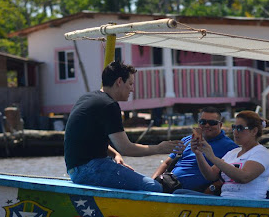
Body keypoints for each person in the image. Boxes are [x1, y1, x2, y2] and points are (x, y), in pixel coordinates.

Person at [64, 60, 184, 192]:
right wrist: (159, 148)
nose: (132, 89)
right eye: (130, 84)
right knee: (153, 187)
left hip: (76, 169)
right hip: (88, 170)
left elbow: (90, 139)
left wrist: (115, 154)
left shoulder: (89, 98)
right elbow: (126, 148)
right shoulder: (109, 105)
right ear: (119, 81)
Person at [151, 107, 238, 191]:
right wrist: (153, 182)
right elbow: (166, 163)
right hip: (169, 183)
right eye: (203, 122)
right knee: (142, 183)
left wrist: (212, 188)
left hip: (195, 191)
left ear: (220, 125)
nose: (207, 125)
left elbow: (232, 176)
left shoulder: (230, 147)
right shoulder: (187, 140)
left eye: (212, 123)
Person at [192, 110, 269, 199]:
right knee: (181, 192)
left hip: (249, 204)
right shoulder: (233, 153)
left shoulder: (261, 153)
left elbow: (244, 177)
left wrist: (212, 157)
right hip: (226, 202)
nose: (235, 132)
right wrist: (198, 154)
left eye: (240, 128)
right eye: (234, 127)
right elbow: (210, 175)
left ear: (254, 131)